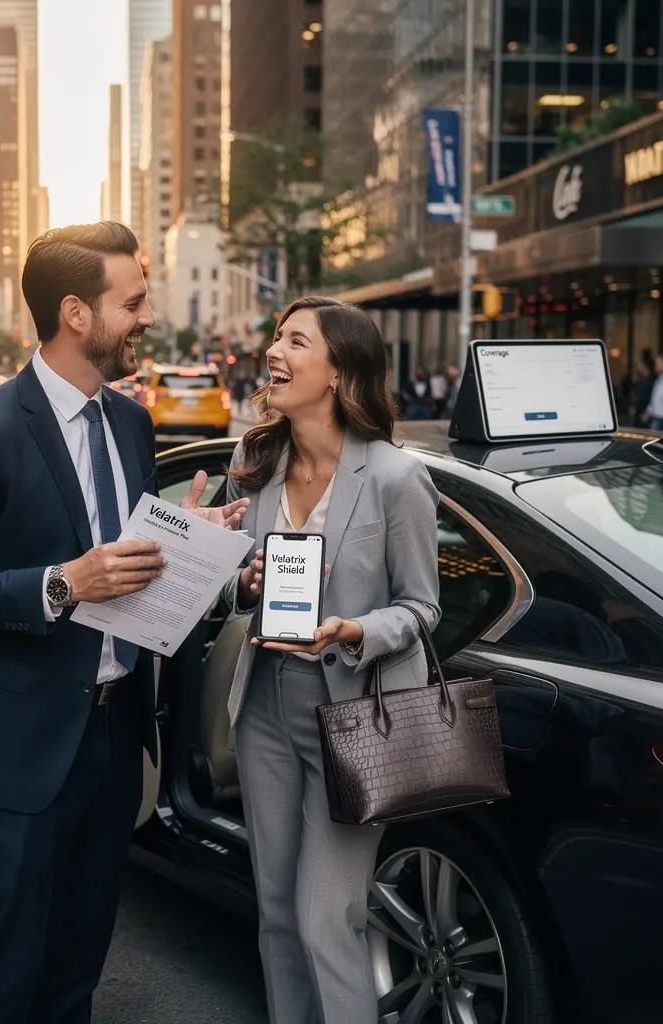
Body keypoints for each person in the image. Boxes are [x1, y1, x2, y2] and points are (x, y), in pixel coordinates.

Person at [0, 221, 248, 1024]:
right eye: (132, 301)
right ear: (76, 313)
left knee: (80, 958)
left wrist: (192, 542)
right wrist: (61, 584)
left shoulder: (131, 424)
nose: (148, 317)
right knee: (14, 961)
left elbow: (129, 567)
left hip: (113, 738)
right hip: (17, 747)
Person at [220, 295, 441, 1024]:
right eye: (276, 338)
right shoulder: (254, 462)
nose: (274, 353)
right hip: (263, 708)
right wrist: (241, 582)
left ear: (339, 371)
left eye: (295, 342)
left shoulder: (394, 479)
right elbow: (232, 580)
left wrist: (353, 630)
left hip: (354, 718)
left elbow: (421, 607)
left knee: (325, 918)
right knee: (277, 915)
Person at [646, 352, 663, 431]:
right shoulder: (660, 377)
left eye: (657, 363)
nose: (655, 366)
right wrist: (648, 412)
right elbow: (655, 396)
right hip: (655, 416)